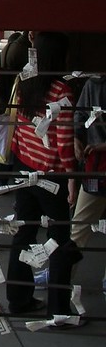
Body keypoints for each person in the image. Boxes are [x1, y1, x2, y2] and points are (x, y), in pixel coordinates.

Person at [6, 32, 81, 320]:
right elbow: (63, 142)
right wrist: (73, 178)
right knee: (59, 238)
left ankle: (18, 299)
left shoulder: (25, 81)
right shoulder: (62, 91)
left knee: (24, 232)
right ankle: (59, 310)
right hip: (51, 176)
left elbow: (17, 125)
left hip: (23, 166)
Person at [70, 75, 106, 280]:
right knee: (79, 225)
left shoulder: (94, 83)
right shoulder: (94, 83)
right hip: (96, 162)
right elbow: (81, 115)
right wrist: (77, 137)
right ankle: (62, 275)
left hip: (97, 160)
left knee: (79, 227)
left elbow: (80, 114)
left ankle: (62, 278)